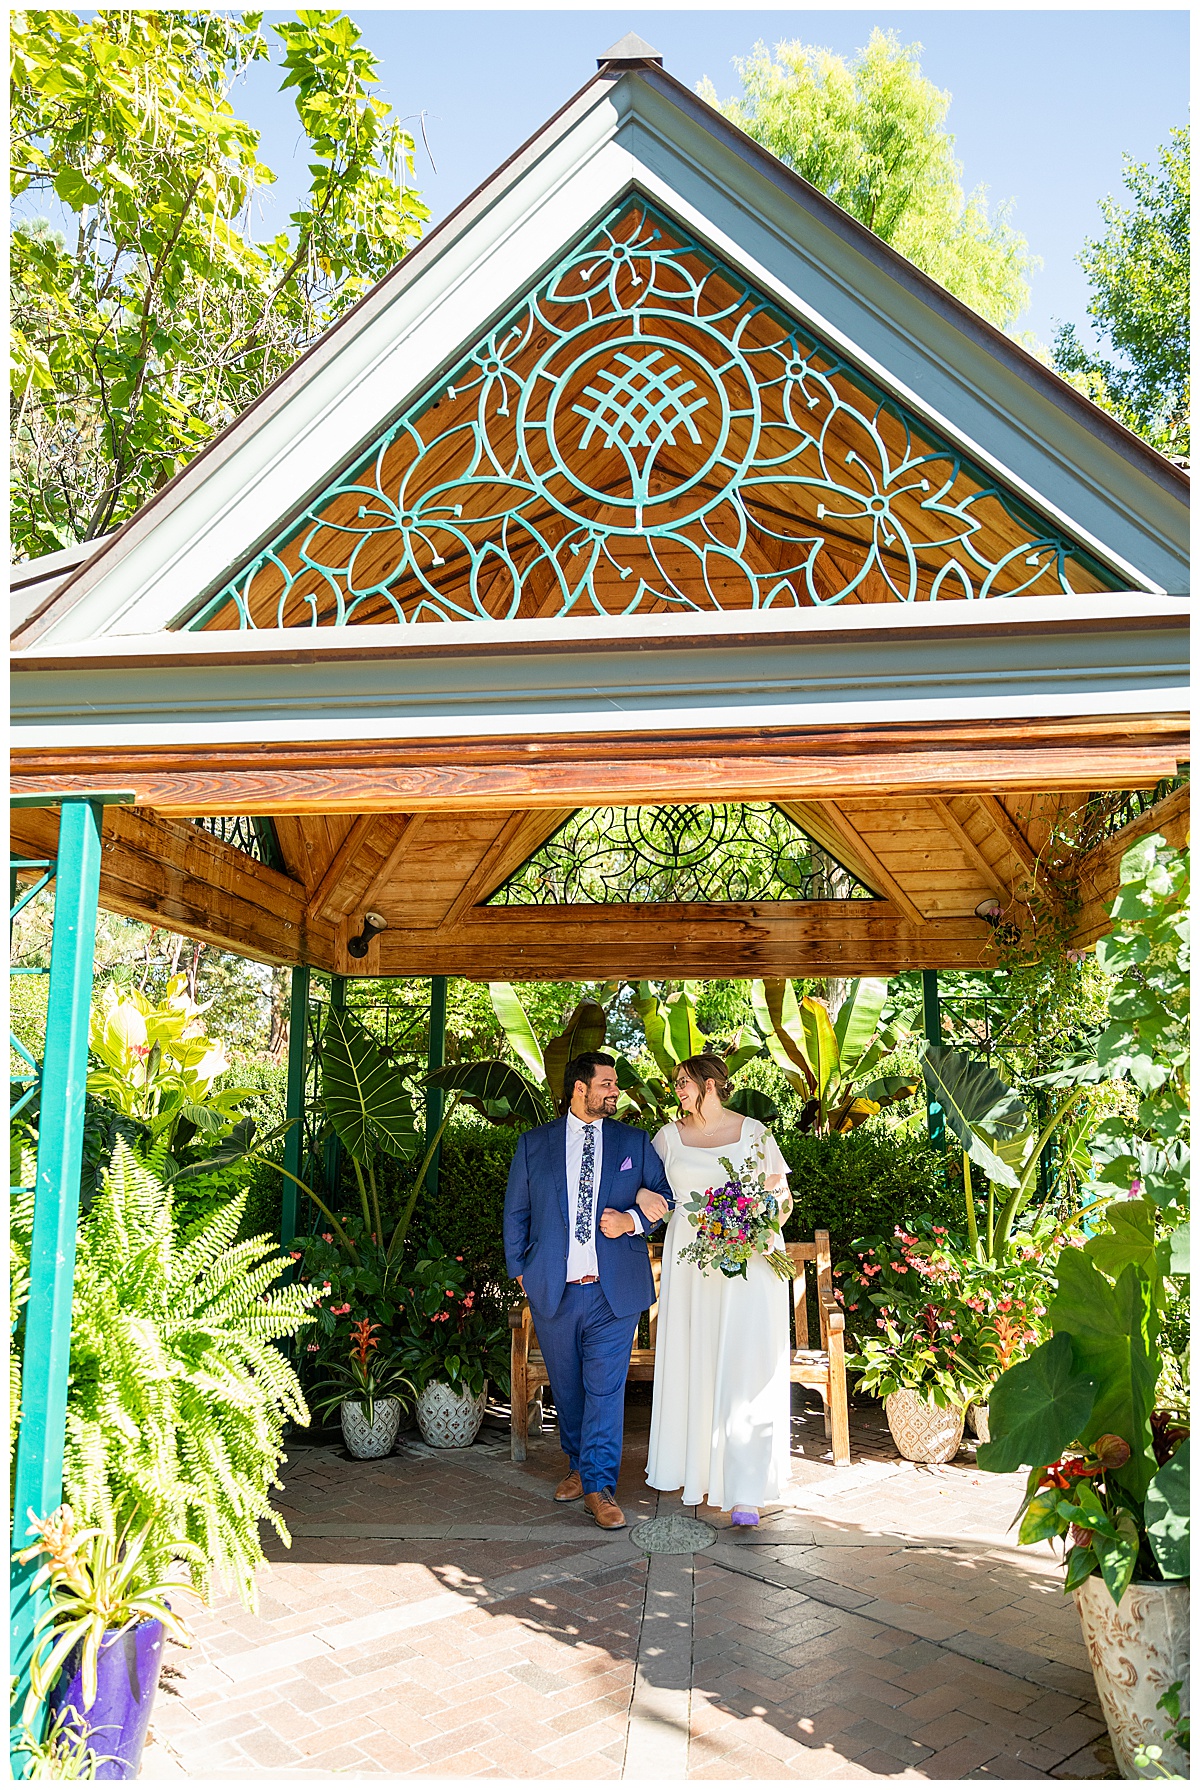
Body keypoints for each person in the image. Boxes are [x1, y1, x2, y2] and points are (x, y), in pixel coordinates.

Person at [503, 1051, 674, 1530]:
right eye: (606, 1083)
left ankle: (599, 1487)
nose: (613, 1091)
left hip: (613, 1292)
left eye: (614, 1084)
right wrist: (521, 1270)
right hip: (554, 1289)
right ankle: (579, 1464)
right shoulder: (534, 1145)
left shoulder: (633, 1142)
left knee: (604, 1390)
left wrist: (632, 1220)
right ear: (580, 1087)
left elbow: (667, 1197)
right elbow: (516, 1212)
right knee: (571, 1389)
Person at [642, 1052, 793, 1526]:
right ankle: (699, 1472)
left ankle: (746, 1489)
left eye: (684, 1082)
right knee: (698, 1359)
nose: (678, 1091)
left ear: (710, 1084)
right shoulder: (667, 1138)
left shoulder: (754, 1133)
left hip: (747, 1264)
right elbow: (646, 1191)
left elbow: (781, 1197)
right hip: (692, 1268)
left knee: (743, 1365)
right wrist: (643, 1199)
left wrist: (765, 1227)